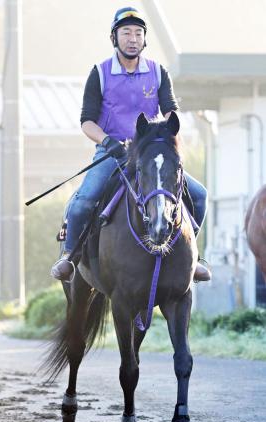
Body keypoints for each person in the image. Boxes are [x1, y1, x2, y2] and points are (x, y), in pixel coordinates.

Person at [51, 6, 211, 282]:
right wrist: (108, 141)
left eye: (138, 33)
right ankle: (69, 259)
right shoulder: (99, 73)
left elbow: (170, 110)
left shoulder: (157, 72)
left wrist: (165, 132)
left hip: (149, 152)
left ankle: (191, 258)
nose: (133, 38)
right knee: (84, 200)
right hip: (112, 152)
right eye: (126, 32)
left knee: (199, 195)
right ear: (114, 38)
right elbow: (87, 121)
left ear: (144, 40)